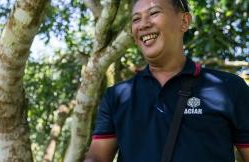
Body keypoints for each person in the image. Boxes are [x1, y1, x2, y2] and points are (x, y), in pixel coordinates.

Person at [84, 0, 249, 161]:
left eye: (154, 13)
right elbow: (97, 156)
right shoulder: (117, 96)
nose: (143, 24)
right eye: (136, 19)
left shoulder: (229, 88)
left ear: (184, 21)